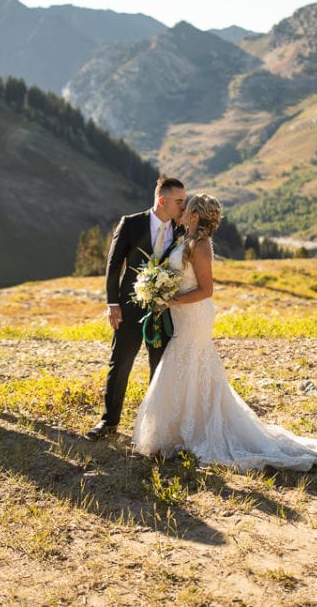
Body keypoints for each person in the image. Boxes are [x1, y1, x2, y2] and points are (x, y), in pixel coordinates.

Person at [132, 194, 317, 470]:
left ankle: (189, 432)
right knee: (187, 365)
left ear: (195, 216)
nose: (182, 211)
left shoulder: (201, 245)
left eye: (187, 208)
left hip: (195, 316)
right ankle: (181, 431)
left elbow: (206, 290)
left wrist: (170, 300)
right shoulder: (186, 240)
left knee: (186, 361)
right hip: (182, 315)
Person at [86, 177, 187, 440]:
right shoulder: (131, 223)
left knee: (160, 368)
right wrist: (112, 303)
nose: (183, 207)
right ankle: (108, 422)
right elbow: (113, 265)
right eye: (179, 202)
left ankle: (156, 429)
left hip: (164, 311)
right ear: (162, 200)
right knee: (119, 363)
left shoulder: (181, 230)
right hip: (129, 307)